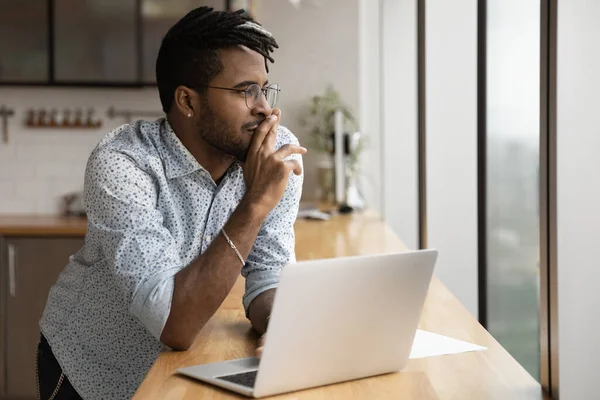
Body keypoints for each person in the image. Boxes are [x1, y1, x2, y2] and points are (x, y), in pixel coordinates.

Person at [36, 6, 306, 399]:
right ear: (187, 101)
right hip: (92, 370)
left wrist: (282, 328)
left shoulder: (274, 154)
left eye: (264, 89)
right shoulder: (124, 162)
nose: (264, 107)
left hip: (176, 374)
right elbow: (173, 324)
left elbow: (268, 273)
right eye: (245, 90)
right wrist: (255, 204)